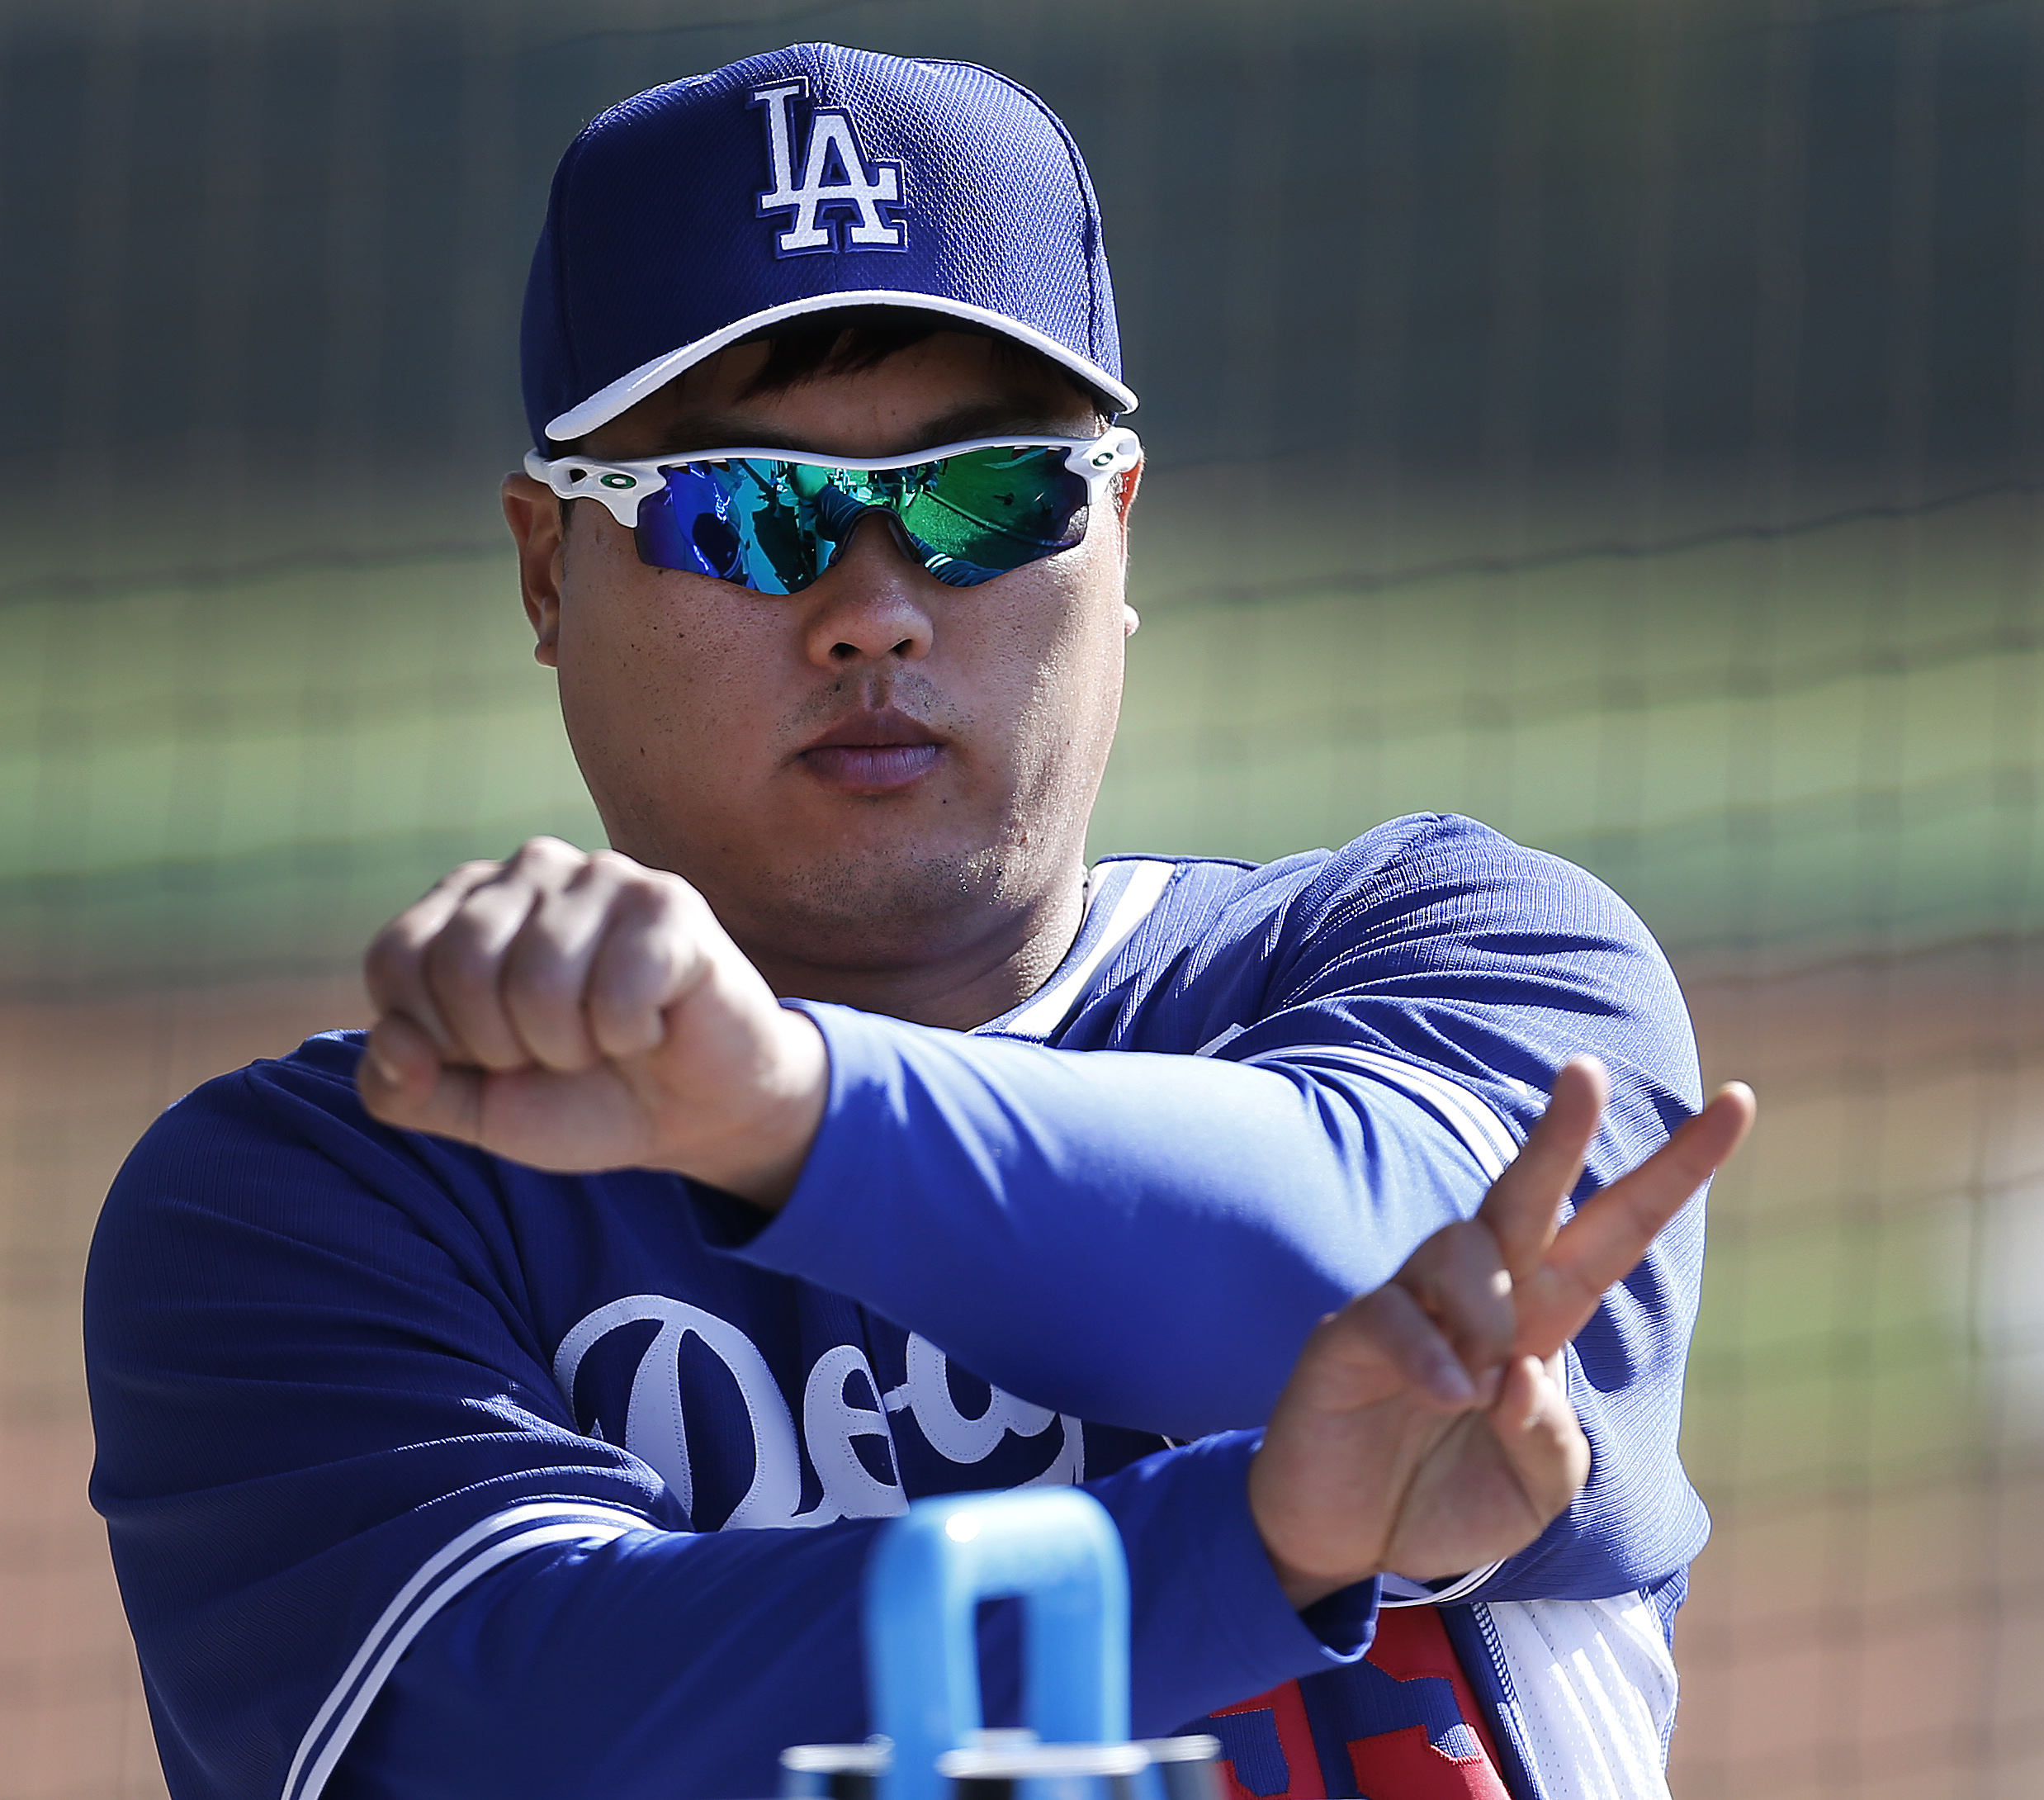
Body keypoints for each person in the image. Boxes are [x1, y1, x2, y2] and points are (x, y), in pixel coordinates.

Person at [84, 42, 1753, 1800]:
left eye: (984, 496)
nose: (872, 610)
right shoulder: (336, 1191)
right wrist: (1228, 1552)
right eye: (746, 511)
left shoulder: (1451, 954)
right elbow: (497, 1733)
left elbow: (1406, 1275)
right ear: (542, 571)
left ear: (1112, 532)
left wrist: (780, 1112)